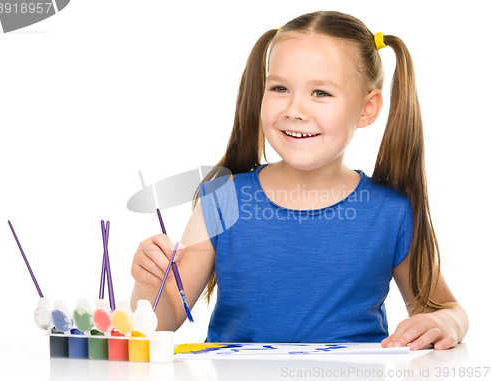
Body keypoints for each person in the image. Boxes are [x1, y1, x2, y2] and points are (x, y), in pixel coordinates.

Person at [130, 10, 468, 350]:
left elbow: (445, 309)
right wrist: (148, 285)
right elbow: (166, 316)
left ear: (367, 108)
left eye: (320, 93)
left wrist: (446, 321)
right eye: (279, 88)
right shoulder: (223, 198)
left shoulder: (390, 212)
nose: (295, 109)